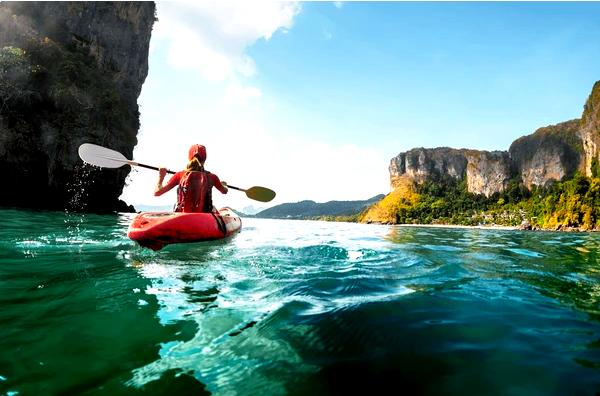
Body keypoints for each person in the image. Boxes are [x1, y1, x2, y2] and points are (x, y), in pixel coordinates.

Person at [154, 144, 228, 213]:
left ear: (189, 158)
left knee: (175, 206)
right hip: (205, 216)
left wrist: (161, 176)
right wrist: (224, 185)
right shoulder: (212, 177)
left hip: (182, 215)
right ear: (205, 158)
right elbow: (224, 191)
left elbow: (157, 193)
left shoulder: (180, 175)